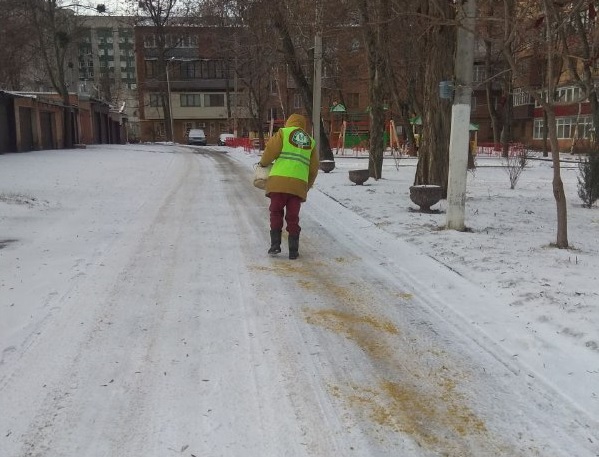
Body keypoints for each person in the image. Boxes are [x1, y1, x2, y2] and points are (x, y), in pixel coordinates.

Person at [258, 114, 319, 259]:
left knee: (276, 212)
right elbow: (314, 168)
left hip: (278, 183)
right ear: (303, 125)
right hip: (297, 187)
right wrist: (307, 186)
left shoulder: (283, 133)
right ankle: (293, 250)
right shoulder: (311, 142)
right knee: (293, 217)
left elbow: (270, 151)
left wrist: (263, 164)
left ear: (289, 122)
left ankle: (275, 246)